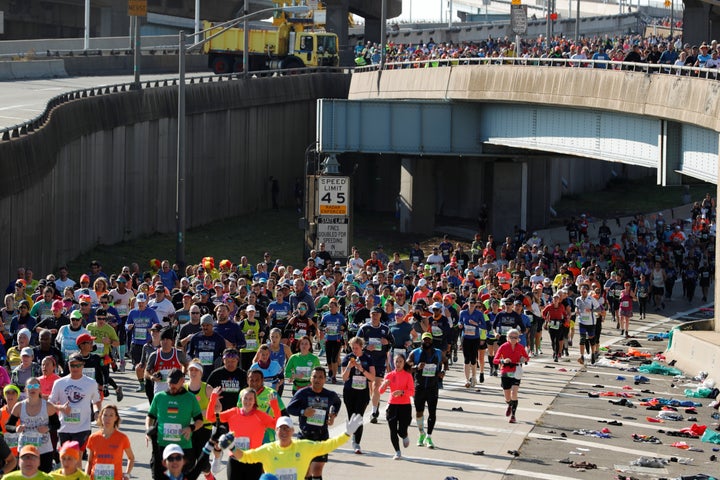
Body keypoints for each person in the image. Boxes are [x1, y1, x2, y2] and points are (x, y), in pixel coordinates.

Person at [226, 414, 363, 479]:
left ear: (292, 431)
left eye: (287, 429)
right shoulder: (268, 449)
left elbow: (327, 445)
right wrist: (232, 447)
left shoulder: (303, 446)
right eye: (281, 429)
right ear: (276, 431)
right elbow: (245, 457)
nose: (284, 432)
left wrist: (347, 434)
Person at [206, 386, 280, 480]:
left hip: (254, 461)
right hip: (235, 460)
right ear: (241, 399)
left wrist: (275, 406)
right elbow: (210, 417)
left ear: (254, 401)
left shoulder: (260, 416)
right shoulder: (233, 412)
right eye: (245, 398)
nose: (247, 401)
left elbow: (278, 425)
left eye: (250, 399)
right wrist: (213, 399)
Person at [146, 368, 204, 480]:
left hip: (183, 447)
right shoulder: (159, 397)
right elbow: (150, 416)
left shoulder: (190, 398)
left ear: (182, 381)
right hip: (162, 446)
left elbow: (199, 421)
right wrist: (148, 430)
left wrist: (191, 428)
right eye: (169, 383)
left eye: (174, 383)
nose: (172, 386)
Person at [285, 367, 342, 480]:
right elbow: (290, 408)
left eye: (320, 377)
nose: (317, 380)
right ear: (310, 379)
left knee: (317, 469)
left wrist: (333, 415)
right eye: (315, 377)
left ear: (325, 379)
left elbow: (337, 402)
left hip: (321, 435)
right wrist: (303, 412)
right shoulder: (303, 393)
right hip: (305, 435)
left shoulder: (329, 394)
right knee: (305, 470)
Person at [7, 377, 65, 472]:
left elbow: (57, 424)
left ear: (40, 389)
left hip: (44, 450)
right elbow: (8, 425)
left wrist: (48, 428)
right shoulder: (19, 406)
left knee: (43, 477)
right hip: (25, 450)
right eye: (30, 386)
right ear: (25, 389)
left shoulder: (47, 406)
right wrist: (16, 429)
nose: (32, 388)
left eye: (35, 386)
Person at [49, 352, 102, 454]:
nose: (75, 368)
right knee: (67, 458)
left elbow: (96, 401)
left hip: (83, 427)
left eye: (78, 365)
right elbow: (50, 404)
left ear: (83, 365)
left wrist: (96, 412)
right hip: (64, 427)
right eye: (72, 365)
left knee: (77, 458)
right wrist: (60, 408)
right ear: (68, 365)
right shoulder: (59, 383)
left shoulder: (91, 383)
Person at [356, 306, 393, 423]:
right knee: (370, 387)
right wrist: (366, 346)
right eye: (373, 314)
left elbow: (392, 342)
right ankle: (375, 402)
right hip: (367, 361)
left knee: (377, 385)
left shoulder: (385, 329)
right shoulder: (364, 328)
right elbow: (356, 342)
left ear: (380, 315)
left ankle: (373, 412)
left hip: (380, 361)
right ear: (370, 315)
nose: (375, 316)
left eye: (377, 314)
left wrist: (387, 342)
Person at [407, 332, 443, 449]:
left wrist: (442, 373)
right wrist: (416, 367)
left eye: (429, 340)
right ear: (421, 340)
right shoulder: (415, 353)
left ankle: (429, 436)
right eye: (425, 340)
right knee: (419, 412)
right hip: (419, 387)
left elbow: (446, 362)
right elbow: (406, 368)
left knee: (432, 413)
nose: (427, 341)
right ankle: (421, 433)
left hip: (433, 387)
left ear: (432, 341)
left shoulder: (438, 352)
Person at [340, 337, 375, 454]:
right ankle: (352, 433)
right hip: (349, 392)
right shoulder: (347, 358)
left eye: (357, 348)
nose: (354, 350)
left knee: (359, 418)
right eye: (352, 348)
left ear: (362, 347)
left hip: (362, 392)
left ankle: (357, 442)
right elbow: (344, 378)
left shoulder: (368, 358)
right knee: (352, 416)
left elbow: (372, 378)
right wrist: (349, 367)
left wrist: (362, 369)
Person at [378, 353, 414, 460]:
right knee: (392, 430)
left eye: (400, 362)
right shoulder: (389, 375)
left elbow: (412, 392)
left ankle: (404, 435)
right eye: (396, 362)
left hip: (405, 406)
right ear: (393, 363)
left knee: (401, 430)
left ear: (404, 363)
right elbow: (380, 391)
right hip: (392, 405)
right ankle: (397, 451)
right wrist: (384, 384)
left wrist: (402, 392)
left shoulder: (408, 375)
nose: (398, 364)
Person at [85, 405, 135, 480]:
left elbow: (131, 458)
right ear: (101, 417)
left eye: (111, 415)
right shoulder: (93, 437)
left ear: (116, 418)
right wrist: (85, 476)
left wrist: (127, 474)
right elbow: (90, 461)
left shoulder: (122, 438)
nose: (107, 418)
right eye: (105, 415)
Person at [126, 292, 161, 392]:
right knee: (138, 365)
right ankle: (141, 384)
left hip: (148, 343)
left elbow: (157, 325)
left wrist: (151, 329)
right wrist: (128, 327)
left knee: (149, 364)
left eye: (142, 302)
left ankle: (150, 382)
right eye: (139, 302)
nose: (141, 304)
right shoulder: (133, 312)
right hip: (136, 342)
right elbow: (126, 324)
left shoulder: (151, 312)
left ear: (146, 302)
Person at [493, 328, 529, 424]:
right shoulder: (503, 347)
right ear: (507, 337)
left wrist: (523, 359)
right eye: (511, 337)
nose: (513, 339)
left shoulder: (520, 347)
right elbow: (495, 360)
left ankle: (513, 416)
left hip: (516, 371)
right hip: (505, 371)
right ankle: (509, 404)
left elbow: (527, 357)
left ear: (518, 338)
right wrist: (503, 361)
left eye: (515, 337)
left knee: (514, 393)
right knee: (507, 397)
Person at [145, 328, 189, 395]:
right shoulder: (154, 355)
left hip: (176, 390)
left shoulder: (178, 354)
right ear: (160, 341)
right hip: (160, 390)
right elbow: (146, 372)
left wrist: (182, 375)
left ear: (172, 341)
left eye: (167, 339)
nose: (165, 341)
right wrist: (151, 377)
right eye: (163, 339)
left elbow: (186, 365)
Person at [459, 299, 485, 388]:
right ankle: (466, 379)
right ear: (468, 303)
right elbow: (460, 321)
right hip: (465, 338)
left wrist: (476, 323)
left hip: (475, 338)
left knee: (473, 359)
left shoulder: (479, 314)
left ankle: (473, 377)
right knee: (466, 359)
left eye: (474, 303)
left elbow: (484, 326)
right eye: (471, 303)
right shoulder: (463, 313)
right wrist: (460, 324)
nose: (472, 305)